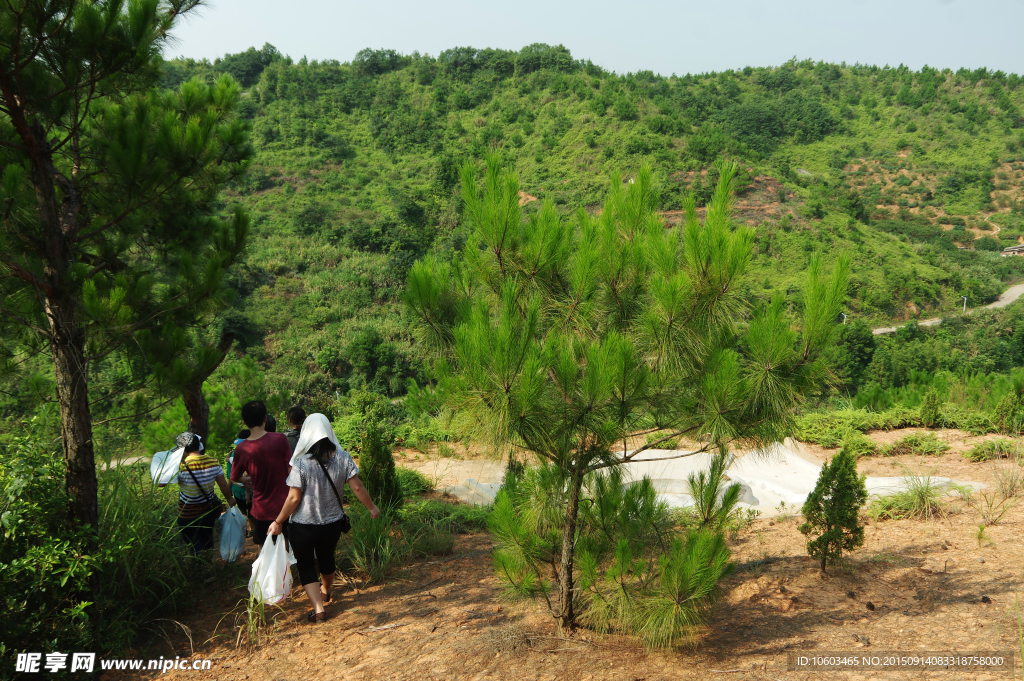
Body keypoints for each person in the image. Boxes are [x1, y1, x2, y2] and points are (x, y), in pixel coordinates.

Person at [271, 413, 379, 623]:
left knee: (305, 565)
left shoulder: (301, 463)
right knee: (327, 558)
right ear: (329, 430)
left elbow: (293, 498)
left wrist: (278, 521)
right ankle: (326, 590)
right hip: (332, 524)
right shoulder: (343, 457)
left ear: (306, 433)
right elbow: (357, 487)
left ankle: (319, 609)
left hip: (302, 525)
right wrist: (372, 508)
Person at [230, 401, 293, 547]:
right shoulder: (280, 439)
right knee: (285, 545)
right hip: (285, 507)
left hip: (260, 509)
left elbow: (234, 477)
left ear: (245, 422)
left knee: (265, 548)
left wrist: (247, 480)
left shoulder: (241, 449)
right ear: (265, 418)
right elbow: (291, 470)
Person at [175, 432, 236, 555]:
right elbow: (223, 485)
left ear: (182, 449)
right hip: (207, 510)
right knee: (207, 539)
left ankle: (198, 562)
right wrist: (229, 499)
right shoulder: (213, 462)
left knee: (193, 543)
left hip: (187, 513)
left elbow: (161, 483)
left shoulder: (180, 466)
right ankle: (208, 562)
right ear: (199, 445)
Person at [225, 429, 252, 516]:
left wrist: (229, 492)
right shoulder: (256, 452)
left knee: (242, 512)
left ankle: (244, 524)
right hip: (253, 489)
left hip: (238, 490)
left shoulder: (234, 454)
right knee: (253, 513)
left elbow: (230, 475)